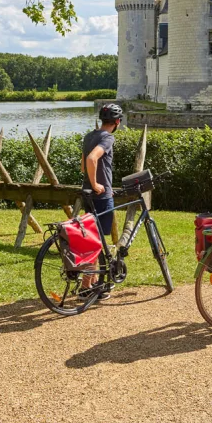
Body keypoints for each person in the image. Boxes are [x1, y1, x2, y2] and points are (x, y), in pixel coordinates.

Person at [80, 102, 123, 298]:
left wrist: (95, 183)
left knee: (92, 238)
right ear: (117, 122)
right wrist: (98, 185)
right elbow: (91, 159)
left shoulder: (89, 136)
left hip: (86, 193)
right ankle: (86, 287)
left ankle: (94, 283)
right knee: (97, 242)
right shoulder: (108, 138)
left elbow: (82, 166)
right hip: (99, 195)